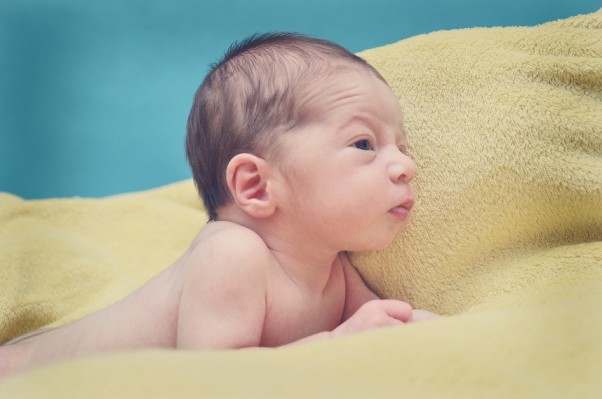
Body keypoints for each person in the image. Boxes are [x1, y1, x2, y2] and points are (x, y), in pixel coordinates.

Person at [0, 32, 438, 377]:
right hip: (24, 373)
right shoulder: (231, 254)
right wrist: (335, 345)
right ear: (256, 186)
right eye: (365, 143)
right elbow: (211, 377)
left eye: (401, 146)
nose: (406, 165)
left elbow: (388, 327)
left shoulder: (334, 271)